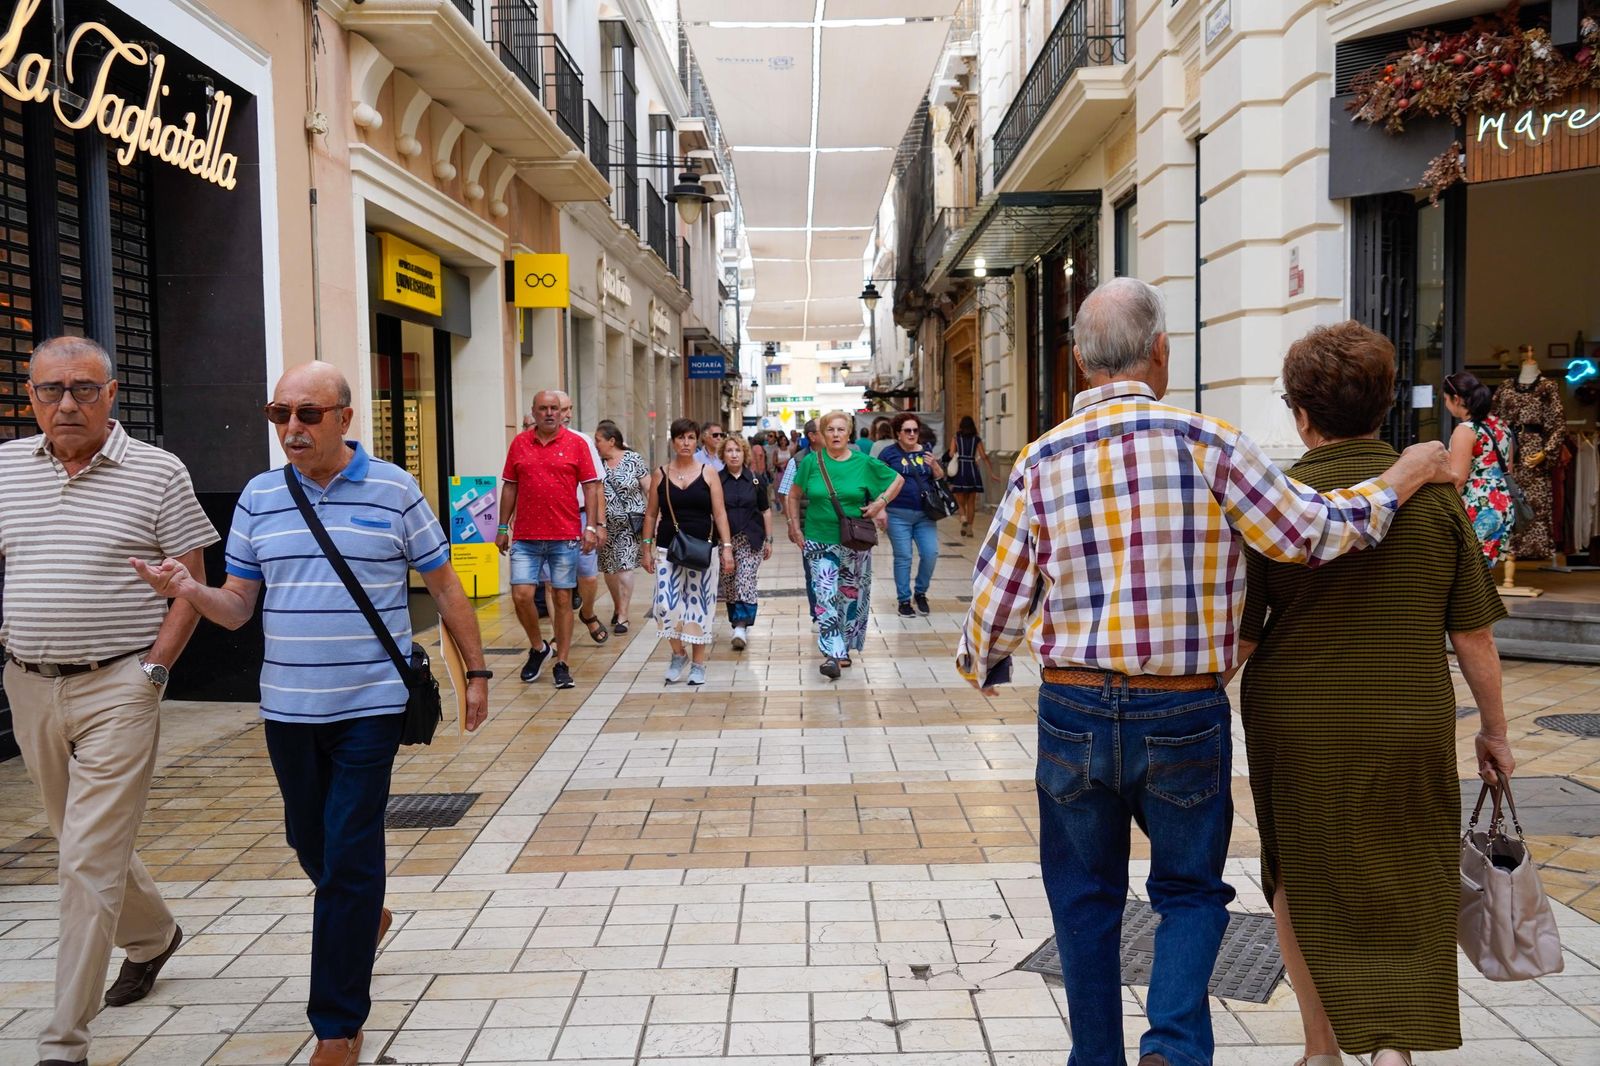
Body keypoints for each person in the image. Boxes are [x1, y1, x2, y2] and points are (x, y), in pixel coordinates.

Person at [956, 278, 1455, 1066]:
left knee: (1084, 902)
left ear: (1081, 360)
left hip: (1075, 708)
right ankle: (1175, 1050)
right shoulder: (1210, 443)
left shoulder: (1040, 459)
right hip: (1183, 710)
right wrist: (1398, 480)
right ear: (1161, 352)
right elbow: (1309, 534)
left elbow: (998, 598)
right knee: (1189, 893)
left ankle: (1096, 1059)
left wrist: (982, 659)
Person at [134, 362, 491, 1066]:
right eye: (279, 415)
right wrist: (188, 590)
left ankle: (337, 1025)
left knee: (352, 852)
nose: (291, 429)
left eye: (307, 415)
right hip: (288, 709)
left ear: (344, 419)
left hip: (371, 706)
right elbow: (237, 608)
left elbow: (445, 586)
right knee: (310, 840)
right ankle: (364, 919)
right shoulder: (260, 499)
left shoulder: (394, 489)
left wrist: (477, 672)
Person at [1234, 324, 1516, 1066]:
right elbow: (1475, 638)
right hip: (1409, 716)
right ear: (1386, 405)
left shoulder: (1281, 502)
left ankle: (1322, 1049)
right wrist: (1496, 731)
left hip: (1296, 724)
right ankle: (1395, 1046)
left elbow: (1245, 636)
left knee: (1301, 870)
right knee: (1409, 867)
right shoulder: (1438, 499)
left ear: (1300, 413)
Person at [0, 337, 217, 1066]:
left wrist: (153, 671)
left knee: (85, 861)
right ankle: (154, 937)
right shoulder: (4, 468)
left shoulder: (157, 472)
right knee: (79, 842)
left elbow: (191, 577)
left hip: (119, 685)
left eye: (84, 389)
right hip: (27, 683)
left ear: (112, 393)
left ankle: (63, 1041)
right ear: (28, 396)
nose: (67, 404)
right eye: (50, 390)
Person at [496, 390, 601, 690]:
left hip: (565, 536)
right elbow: (510, 486)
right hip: (526, 537)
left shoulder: (577, 444)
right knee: (522, 596)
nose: (550, 413)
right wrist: (503, 527)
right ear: (534, 411)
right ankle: (539, 647)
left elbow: (591, 487)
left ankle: (563, 663)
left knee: (563, 599)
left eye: (554, 408)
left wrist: (591, 527)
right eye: (543, 408)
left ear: (563, 412)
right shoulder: (519, 443)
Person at [788, 410, 903, 678]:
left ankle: (844, 646)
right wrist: (795, 526)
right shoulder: (811, 463)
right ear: (822, 435)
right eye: (831, 430)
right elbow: (793, 496)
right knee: (825, 595)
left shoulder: (863, 462)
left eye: (841, 430)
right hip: (819, 539)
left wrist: (880, 503)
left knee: (850, 596)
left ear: (849, 434)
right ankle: (832, 653)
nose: (836, 434)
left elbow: (898, 480)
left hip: (854, 541)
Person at [642, 418, 735, 685]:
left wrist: (726, 548)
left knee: (700, 605)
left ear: (697, 441)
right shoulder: (660, 473)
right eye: (681, 438)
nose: (685, 443)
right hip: (667, 546)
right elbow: (650, 514)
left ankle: (698, 665)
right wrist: (646, 548)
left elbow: (719, 513)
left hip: (703, 548)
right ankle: (678, 653)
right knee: (665, 605)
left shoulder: (708, 472)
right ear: (672, 442)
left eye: (691, 438)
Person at [1443, 370, 1516, 565]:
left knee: (1466, 567)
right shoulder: (1501, 426)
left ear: (1456, 399)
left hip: (1477, 504)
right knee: (1482, 569)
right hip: (1502, 503)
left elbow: (1458, 479)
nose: (1445, 405)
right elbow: (1509, 468)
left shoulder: (1465, 431)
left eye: (1446, 399)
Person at [879, 411, 945, 617]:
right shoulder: (888, 454)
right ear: (898, 433)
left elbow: (940, 477)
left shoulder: (926, 450)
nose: (912, 434)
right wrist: (880, 508)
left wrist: (934, 464)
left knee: (930, 553)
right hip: (897, 514)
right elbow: (877, 481)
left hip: (925, 514)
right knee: (903, 557)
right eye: (907, 430)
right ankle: (904, 600)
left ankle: (921, 593)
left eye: (915, 430)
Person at [718, 434, 773, 650]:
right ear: (723, 454)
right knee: (730, 584)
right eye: (729, 450)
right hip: (725, 540)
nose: (733, 455)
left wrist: (769, 540)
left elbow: (766, 511)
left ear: (744, 454)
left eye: (738, 450)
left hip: (752, 539)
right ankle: (737, 624)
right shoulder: (716, 481)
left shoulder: (756, 480)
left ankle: (742, 625)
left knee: (745, 579)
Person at [596, 422, 649, 634]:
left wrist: (655, 516)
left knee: (624, 568)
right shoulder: (597, 463)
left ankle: (624, 616)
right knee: (609, 569)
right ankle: (618, 606)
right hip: (604, 525)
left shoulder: (633, 459)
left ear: (611, 441)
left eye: (598, 440)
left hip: (630, 524)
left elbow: (648, 486)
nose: (595, 444)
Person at [779, 419, 823, 620]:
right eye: (826, 430)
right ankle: (817, 614)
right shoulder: (797, 461)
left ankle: (834, 612)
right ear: (812, 436)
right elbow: (786, 493)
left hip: (837, 527)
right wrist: (792, 524)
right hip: (809, 527)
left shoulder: (840, 457)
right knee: (813, 572)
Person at [947, 414, 996, 537]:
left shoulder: (956, 437)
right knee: (971, 502)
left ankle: (963, 517)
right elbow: (983, 456)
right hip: (973, 471)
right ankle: (969, 528)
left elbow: (951, 453)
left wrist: (957, 453)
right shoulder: (976, 439)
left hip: (961, 470)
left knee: (959, 498)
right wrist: (992, 473)